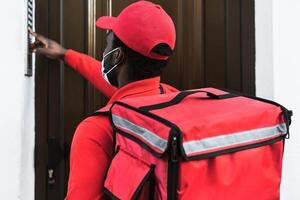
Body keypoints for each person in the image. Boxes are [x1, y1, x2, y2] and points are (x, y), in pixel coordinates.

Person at [32, 1, 177, 199]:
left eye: (107, 44)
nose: (104, 52)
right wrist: (65, 54)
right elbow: (122, 87)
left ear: (116, 56)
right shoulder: (173, 99)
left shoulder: (96, 131)